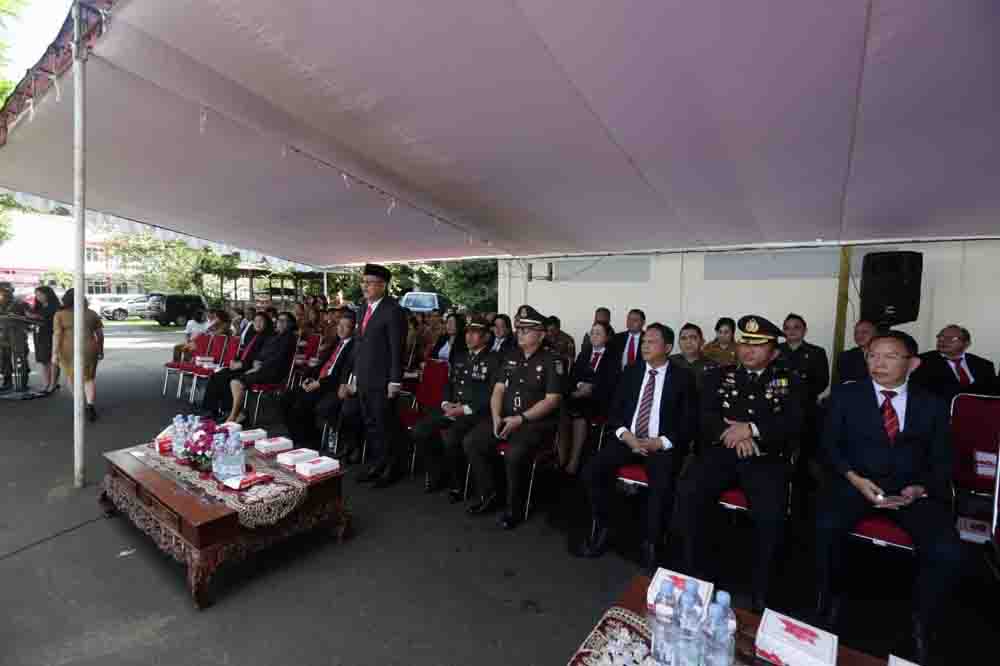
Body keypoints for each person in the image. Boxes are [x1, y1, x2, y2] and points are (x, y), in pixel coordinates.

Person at [815, 331, 963, 664]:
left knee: (947, 551)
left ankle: (922, 620)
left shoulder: (932, 404)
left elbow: (943, 459)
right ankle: (829, 601)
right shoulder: (846, 396)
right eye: (872, 355)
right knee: (824, 528)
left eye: (890, 356)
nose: (878, 363)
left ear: (913, 364)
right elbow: (829, 448)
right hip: (857, 485)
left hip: (911, 492)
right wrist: (854, 479)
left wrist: (919, 488)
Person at [678, 315, 804, 612]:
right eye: (745, 343)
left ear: (774, 351)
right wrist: (733, 434)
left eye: (758, 345)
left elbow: (795, 423)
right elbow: (705, 416)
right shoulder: (717, 376)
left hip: (764, 457)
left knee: (770, 515)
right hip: (722, 452)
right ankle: (696, 573)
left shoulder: (790, 381)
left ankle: (762, 587)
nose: (748, 350)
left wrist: (751, 429)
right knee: (689, 494)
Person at [576, 324, 698, 573]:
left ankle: (652, 542)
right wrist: (626, 436)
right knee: (592, 471)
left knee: (662, 484)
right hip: (628, 440)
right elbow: (615, 411)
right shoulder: (631, 372)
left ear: (667, 347)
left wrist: (661, 442)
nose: (645, 346)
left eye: (652, 342)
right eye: (644, 341)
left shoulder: (682, 378)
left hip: (659, 444)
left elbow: (688, 422)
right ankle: (605, 526)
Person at [462, 306, 563, 530]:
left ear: (541, 335)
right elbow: (498, 389)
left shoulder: (552, 360)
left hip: (534, 423)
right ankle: (489, 495)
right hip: (506, 417)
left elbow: (552, 400)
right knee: (472, 441)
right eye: (519, 329)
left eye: (526, 330)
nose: (520, 333)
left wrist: (521, 419)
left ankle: (514, 508)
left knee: (514, 454)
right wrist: (496, 417)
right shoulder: (510, 356)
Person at [411, 315, 499, 498]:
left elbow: (491, 394)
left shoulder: (494, 360)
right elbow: (449, 385)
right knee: (421, 430)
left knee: (451, 437)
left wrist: (464, 409)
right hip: (453, 408)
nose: (469, 336)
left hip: (475, 413)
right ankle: (437, 474)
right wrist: (445, 402)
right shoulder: (460, 357)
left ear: (486, 337)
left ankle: (459, 484)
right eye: (468, 332)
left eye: (475, 333)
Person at [354, 264, 408, 488]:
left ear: (383, 285)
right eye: (363, 282)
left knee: (386, 425)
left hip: (383, 380)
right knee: (371, 424)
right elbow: (359, 345)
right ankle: (378, 463)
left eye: (369, 282)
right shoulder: (362, 309)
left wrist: (395, 380)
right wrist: (355, 375)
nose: (364, 286)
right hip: (364, 377)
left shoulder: (393, 310)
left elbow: (397, 349)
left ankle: (392, 468)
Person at [282, 312, 356, 449]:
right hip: (320, 381)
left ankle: (309, 441)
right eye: (339, 325)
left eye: (346, 326)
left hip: (332, 386)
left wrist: (319, 383)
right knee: (286, 397)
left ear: (353, 329)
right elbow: (322, 364)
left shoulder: (353, 347)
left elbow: (340, 375)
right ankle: (297, 436)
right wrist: (309, 378)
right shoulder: (336, 342)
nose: (340, 329)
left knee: (302, 403)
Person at [561, 321, 620, 476]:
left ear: (607, 337)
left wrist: (591, 388)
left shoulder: (613, 356)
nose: (594, 336)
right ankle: (561, 456)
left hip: (599, 399)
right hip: (578, 395)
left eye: (598, 333)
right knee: (561, 409)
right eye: (592, 333)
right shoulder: (585, 353)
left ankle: (574, 460)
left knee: (579, 412)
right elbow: (573, 376)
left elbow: (611, 382)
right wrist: (580, 385)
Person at [225, 312, 297, 424]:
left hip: (273, 372)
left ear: (291, 324)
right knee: (234, 379)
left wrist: (259, 367)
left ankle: (233, 416)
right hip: (263, 369)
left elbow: (278, 359)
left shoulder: (289, 338)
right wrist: (256, 361)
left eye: (284, 321)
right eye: (279, 320)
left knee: (236, 383)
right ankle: (241, 414)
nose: (280, 323)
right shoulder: (275, 336)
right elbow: (262, 353)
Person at [201, 312, 270, 417]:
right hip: (242, 365)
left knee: (226, 378)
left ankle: (228, 411)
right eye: (255, 321)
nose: (257, 323)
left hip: (252, 369)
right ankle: (210, 409)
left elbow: (259, 358)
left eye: (261, 321)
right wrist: (235, 360)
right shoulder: (253, 335)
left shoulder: (268, 338)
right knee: (216, 375)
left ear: (267, 323)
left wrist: (242, 364)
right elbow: (244, 351)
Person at [52, 289, 105, 422]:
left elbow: (57, 334)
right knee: (89, 378)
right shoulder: (91, 313)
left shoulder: (60, 314)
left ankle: (79, 405)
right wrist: (100, 349)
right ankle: (90, 405)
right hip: (89, 348)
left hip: (67, 349)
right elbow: (100, 334)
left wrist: (54, 353)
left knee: (72, 377)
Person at [910, 324, 996, 401]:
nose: (943, 340)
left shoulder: (984, 365)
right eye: (941, 337)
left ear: (966, 343)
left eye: (952, 338)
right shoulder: (922, 361)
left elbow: (991, 395)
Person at [26, 286, 60, 393]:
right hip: (39, 335)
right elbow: (32, 317)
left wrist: (36, 317)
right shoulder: (37, 307)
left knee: (52, 360)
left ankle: (53, 384)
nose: (38, 297)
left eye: (40, 294)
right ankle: (46, 384)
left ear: (47, 294)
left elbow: (51, 320)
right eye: (36, 295)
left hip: (51, 335)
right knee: (43, 361)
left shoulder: (55, 307)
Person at [668, 322, 717, 392]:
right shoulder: (669, 362)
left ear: (702, 341)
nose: (688, 342)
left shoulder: (713, 366)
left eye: (693, 338)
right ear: (679, 343)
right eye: (683, 338)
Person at [0, 282, 30, 391]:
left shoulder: (20, 303)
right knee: (4, 359)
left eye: (3, 292)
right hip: (3, 335)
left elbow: (30, 318)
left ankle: (23, 383)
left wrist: (18, 318)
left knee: (21, 359)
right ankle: (7, 382)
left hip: (18, 335)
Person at [835, 319, 876, 384]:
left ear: (875, 334)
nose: (859, 336)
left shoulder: (884, 355)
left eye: (864, 332)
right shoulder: (846, 356)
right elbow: (846, 381)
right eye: (856, 333)